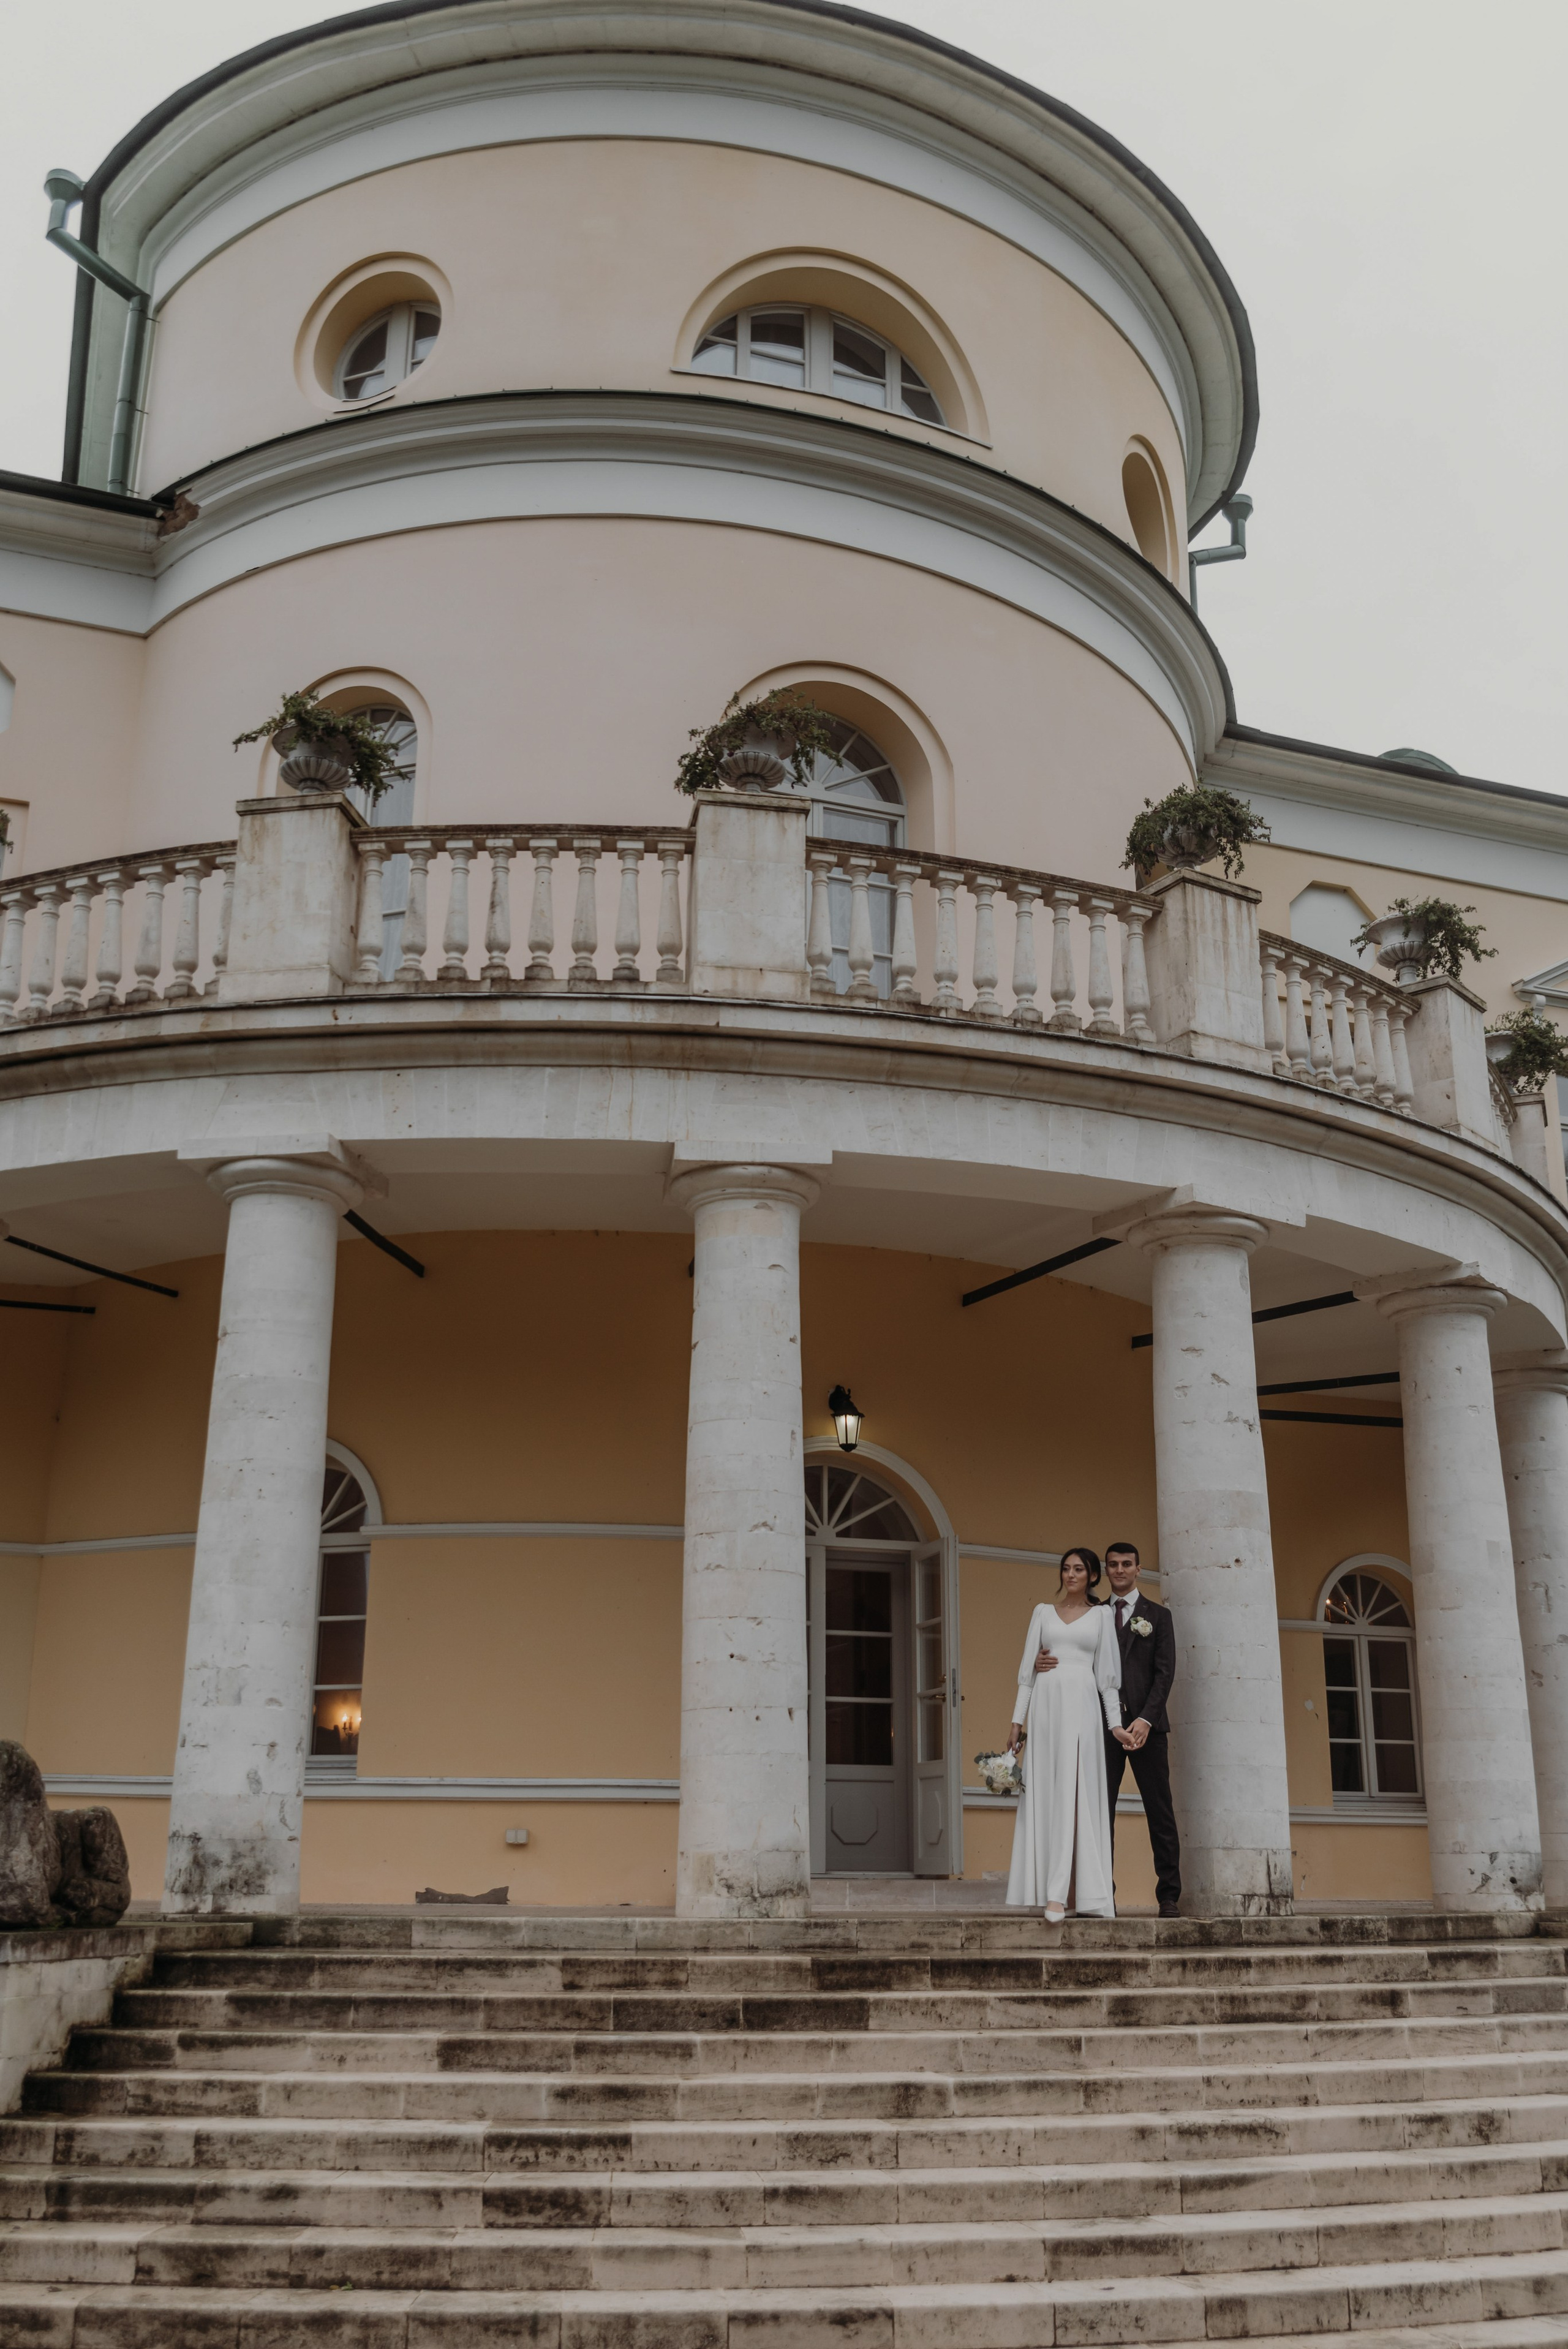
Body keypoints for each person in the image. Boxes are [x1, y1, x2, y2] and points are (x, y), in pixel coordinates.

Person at [1004, 1547, 1122, 1920]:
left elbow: (1108, 1680)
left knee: (1078, 1796)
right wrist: (1016, 1723)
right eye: (1066, 1569)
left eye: (1079, 1570)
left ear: (1092, 1576)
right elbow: (1027, 1673)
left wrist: (1115, 1725)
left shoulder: (1103, 1616)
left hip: (1084, 1709)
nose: (1071, 1575)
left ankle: (1068, 1895)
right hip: (1046, 1710)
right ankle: (1054, 1894)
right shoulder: (1042, 1613)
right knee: (1050, 1796)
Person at [1102, 1540, 1181, 1918]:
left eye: (1126, 1564)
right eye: (1113, 1564)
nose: (1120, 1570)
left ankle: (1169, 1896)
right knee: (1102, 1814)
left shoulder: (1159, 1617)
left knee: (1160, 1812)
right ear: (1106, 1570)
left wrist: (1146, 1719)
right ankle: (1104, 1894)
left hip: (1148, 1728)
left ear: (1138, 1569)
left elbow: (1165, 1674)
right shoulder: (1094, 1615)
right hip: (1104, 1730)